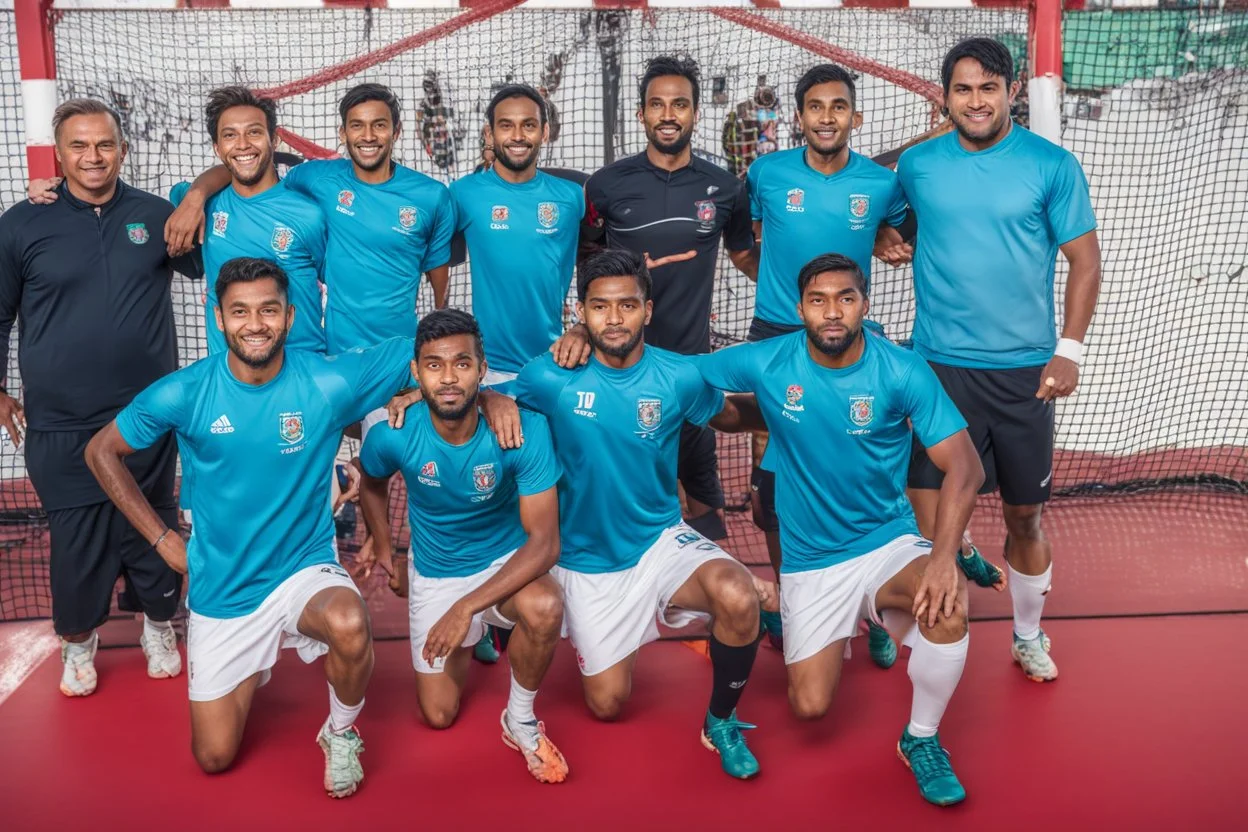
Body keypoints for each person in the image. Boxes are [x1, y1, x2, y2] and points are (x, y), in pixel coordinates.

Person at [84, 257, 417, 797]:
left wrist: (441, 391)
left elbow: (434, 353)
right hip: (226, 587)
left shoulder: (326, 379)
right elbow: (101, 452)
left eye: (268, 310)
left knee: (351, 623)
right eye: (240, 311)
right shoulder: (186, 392)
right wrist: (165, 540)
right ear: (218, 318)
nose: (255, 324)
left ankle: (339, 732)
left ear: (289, 316)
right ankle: (251, 662)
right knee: (214, 757)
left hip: (302, 568)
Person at [696, 253, 984, 806]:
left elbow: (965, 467)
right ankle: (826, 614)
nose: (833, 312)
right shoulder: (768, 361)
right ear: (799, 308)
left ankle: (920, 738)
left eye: (846, 298)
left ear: (865, 304)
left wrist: (945, 556)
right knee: (809, 708)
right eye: (819, 300)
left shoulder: (901, 370)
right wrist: (590, 341)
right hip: (811, 561)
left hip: (885, 541)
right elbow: (678, 370)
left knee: (949, 605)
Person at [513, 249, 776, 780]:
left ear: (648, 311)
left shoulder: (678, 377)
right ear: (580, 312)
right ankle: (745, 610)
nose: (614, 319)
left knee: (736, 592)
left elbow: (731, 414)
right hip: (586, 563)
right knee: (608, 705)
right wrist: (495, 403)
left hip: (659, 541)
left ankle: (720, 721)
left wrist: (803, 405)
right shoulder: (548, 376)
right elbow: (491, 408)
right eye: (600, 307)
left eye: (627, 306)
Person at [897, 38, 1101, 682]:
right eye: (963, 89)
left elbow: (1085, 261)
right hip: (938, 370)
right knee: (931, 521)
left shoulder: (1052, 165)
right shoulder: (918, 166)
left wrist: (1068, 350)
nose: (976, 100)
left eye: (989, 87)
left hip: (1023, 374)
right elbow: (882, 217)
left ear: (1012, 90)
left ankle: (1027, 633)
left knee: (1023, 514)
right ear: (945, 98)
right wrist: (881, 231)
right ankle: (929, 623)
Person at [0, 98, 197, 696]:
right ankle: (78, 643)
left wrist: (196, 194)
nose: (93, 156)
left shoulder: (155, 215)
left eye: (104, 144)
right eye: (79, 146)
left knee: (151, 523)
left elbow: (220, 247)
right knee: (77, 537)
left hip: (146, 414)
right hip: (60, 419)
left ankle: (159, 625)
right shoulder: (22, 222)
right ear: (58, 155)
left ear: (123, 149)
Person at [354, 309, 568, 783]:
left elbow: (546, 545)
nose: (448, 378)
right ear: (415, 372)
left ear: (482, 367)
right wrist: (383, 543)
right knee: (438, 715)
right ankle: (484, 635)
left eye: (462, 364)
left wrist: (465, 609)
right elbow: (371, 481)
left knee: (547, 604)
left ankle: (520, 718)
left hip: (503, 563)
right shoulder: (393, 431)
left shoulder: (521, 429)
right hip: (436, 572)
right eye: (434, 365)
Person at [741, 64, 912, 652]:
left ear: (855, 117)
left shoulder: (882, 184)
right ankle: (796, 597)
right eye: (815, 107)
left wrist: (888, 242)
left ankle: (869, 603)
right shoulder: (765, 173)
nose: (827, 117)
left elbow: (895, 236)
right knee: (772, 475)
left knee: (855, 463)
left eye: (838, 107)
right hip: (776, 334)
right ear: (799, 115)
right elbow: (752, 243)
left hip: (849, 340)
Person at [565, 54, 759, 543]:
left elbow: (745, 256)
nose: (668, 114)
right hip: (618, 372)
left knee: (705, 506)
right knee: (619, 495)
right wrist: (579, 324)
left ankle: (712, 597)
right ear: (642, 113)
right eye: (657, 104)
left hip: (690, 369)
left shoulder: (726, 189)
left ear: (695, 112)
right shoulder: (606, 186)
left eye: (679, 104)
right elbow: (586, 260)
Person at [166, 82, 454, 356]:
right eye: (230, 135)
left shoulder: (309, 210)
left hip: (306, 368)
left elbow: (345, 273)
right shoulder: (199, 201)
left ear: (274, 138)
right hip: (230, 376)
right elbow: (233, 168)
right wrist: (195, 196)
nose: (242, 144)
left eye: (254, 132)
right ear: (217, 148)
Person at [449, 84, 585, 394]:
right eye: (506, 125)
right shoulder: (463, 194)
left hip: (555, 363)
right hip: (489, 370)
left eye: (529, 125)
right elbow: (435, 259)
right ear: (489, 133)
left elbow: (599, 263)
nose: (518, 136)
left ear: (545, 131)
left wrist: (585, 326)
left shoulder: (573, 196)